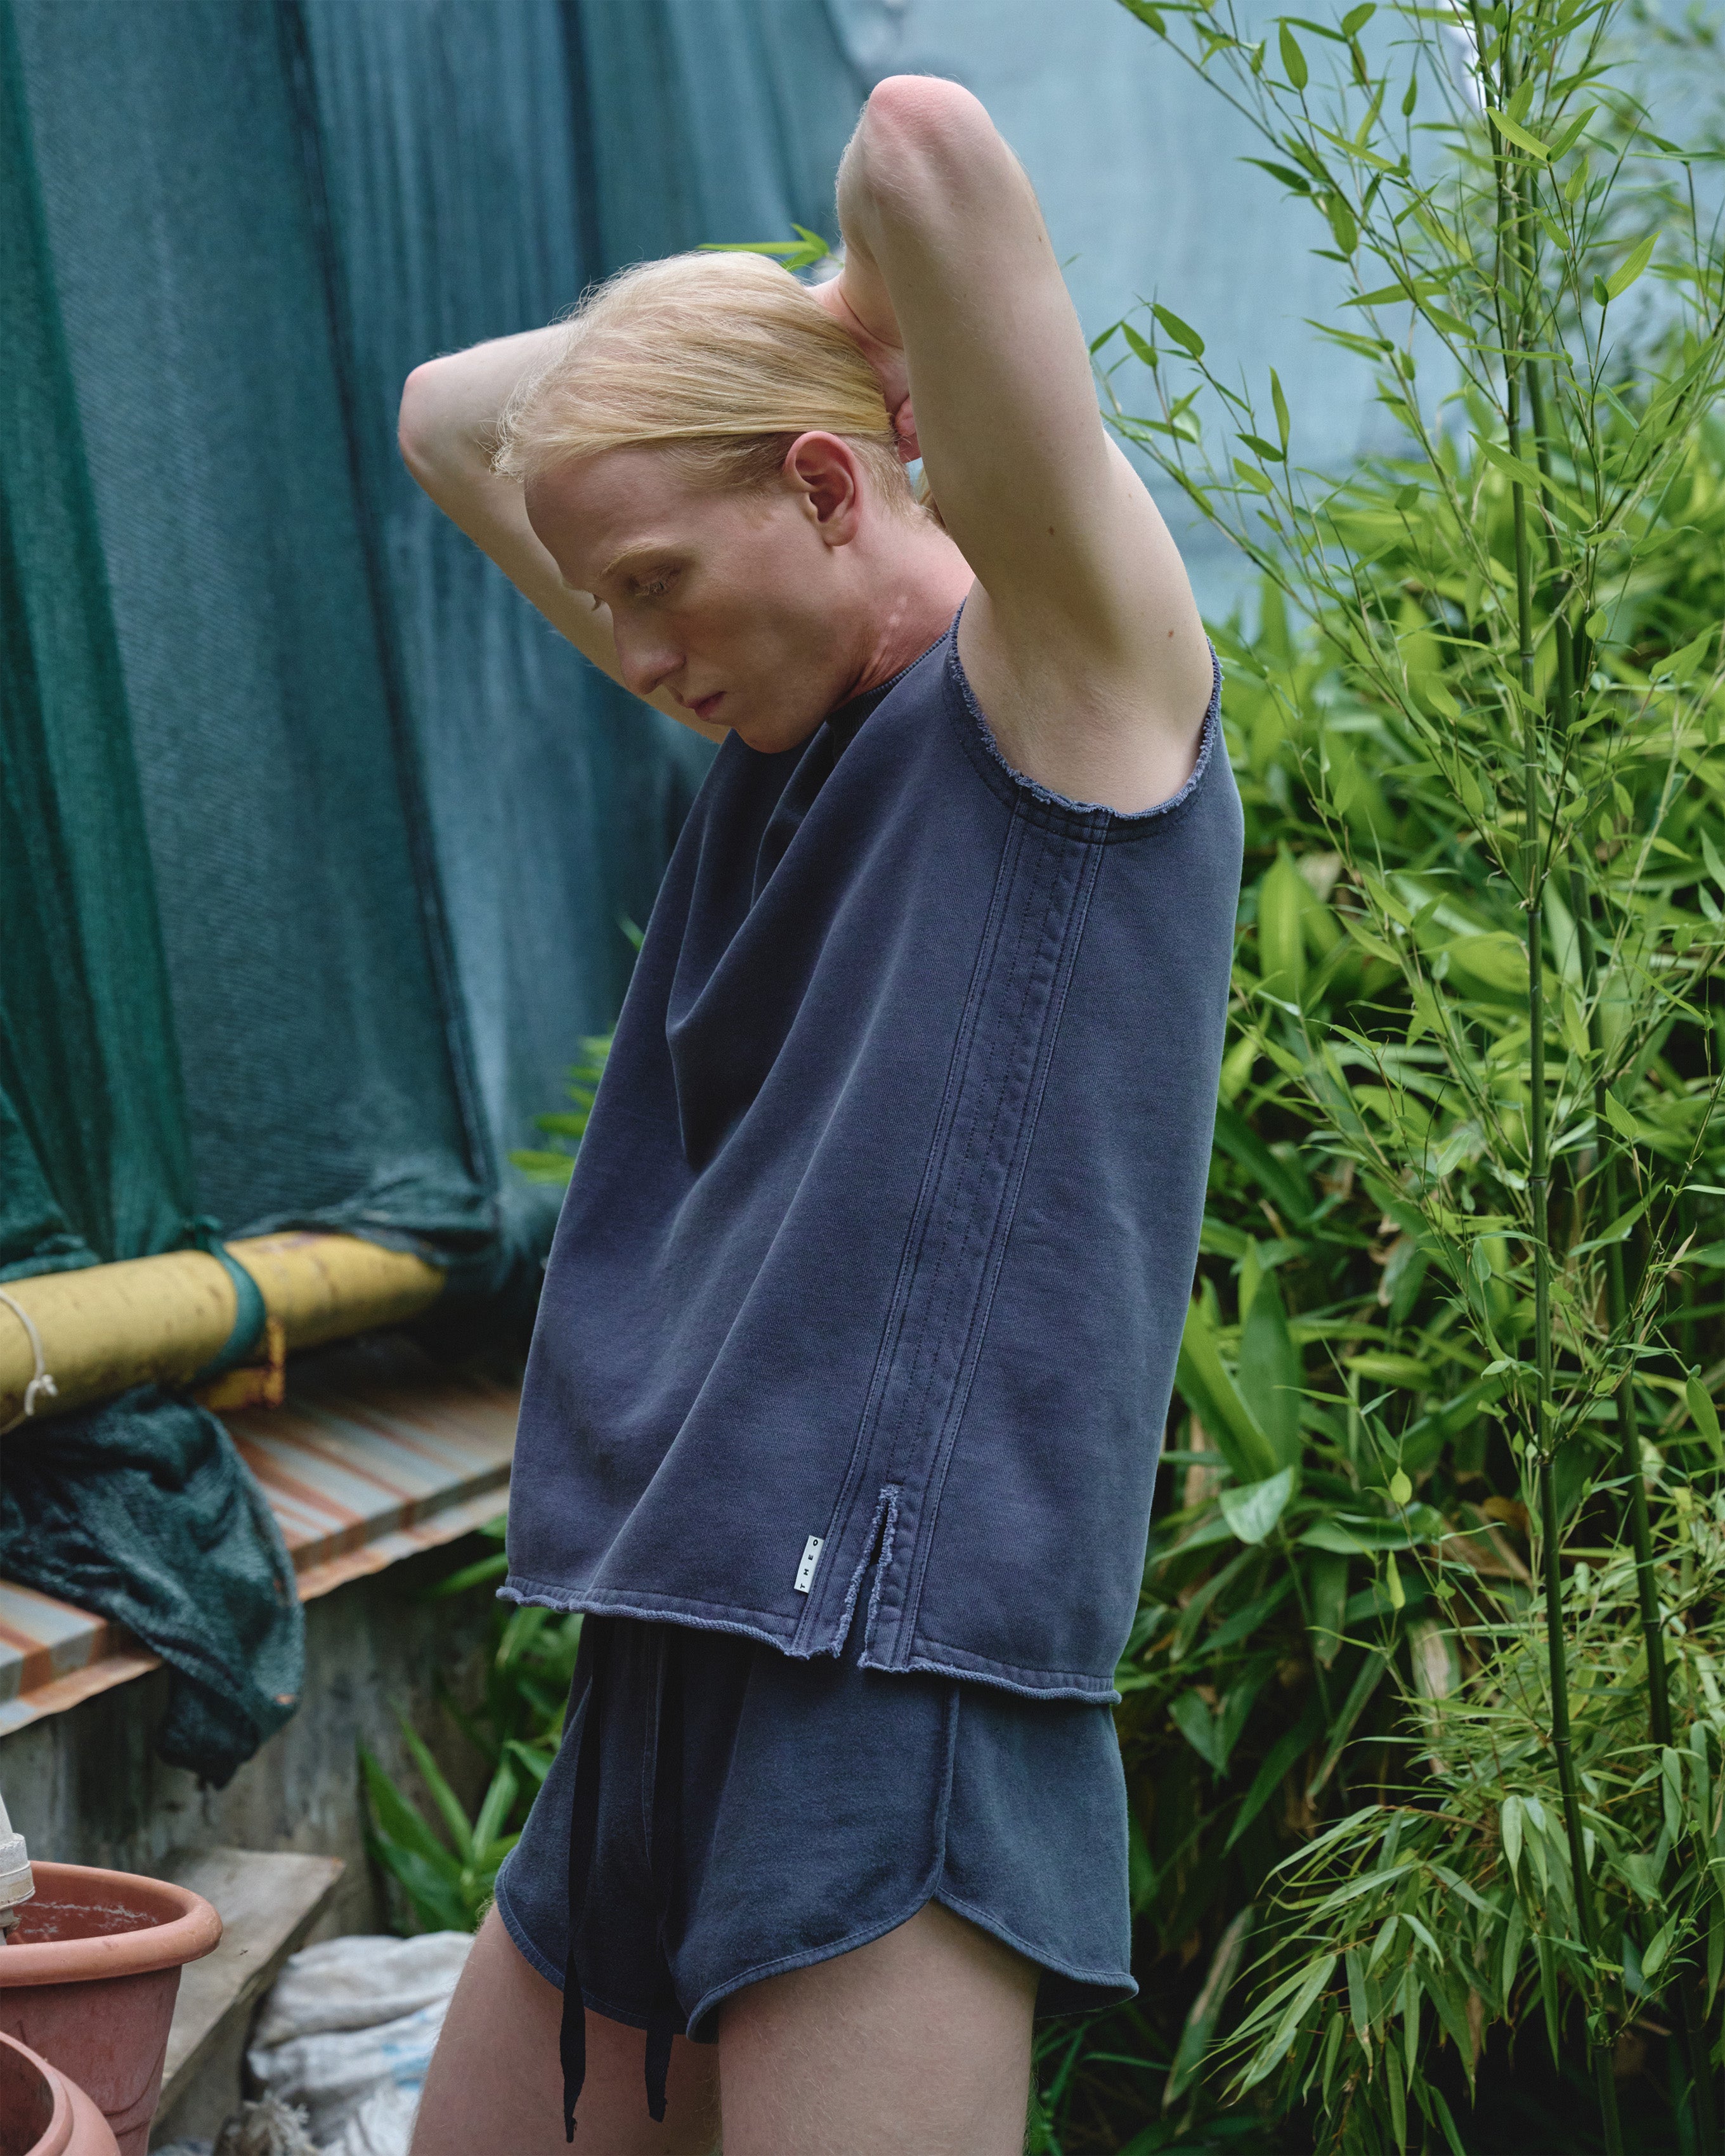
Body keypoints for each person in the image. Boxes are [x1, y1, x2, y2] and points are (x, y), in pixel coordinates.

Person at [398, 73, 1240, 2156]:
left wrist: (859, 310)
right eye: (610, 599)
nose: (629, 648)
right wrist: (763, 352)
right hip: (681, 1627)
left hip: (899, 1663)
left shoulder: (1079, 695)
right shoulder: (773, 703)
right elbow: (444, 408)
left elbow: (927, 145)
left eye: (657, 583)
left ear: (829, 484)